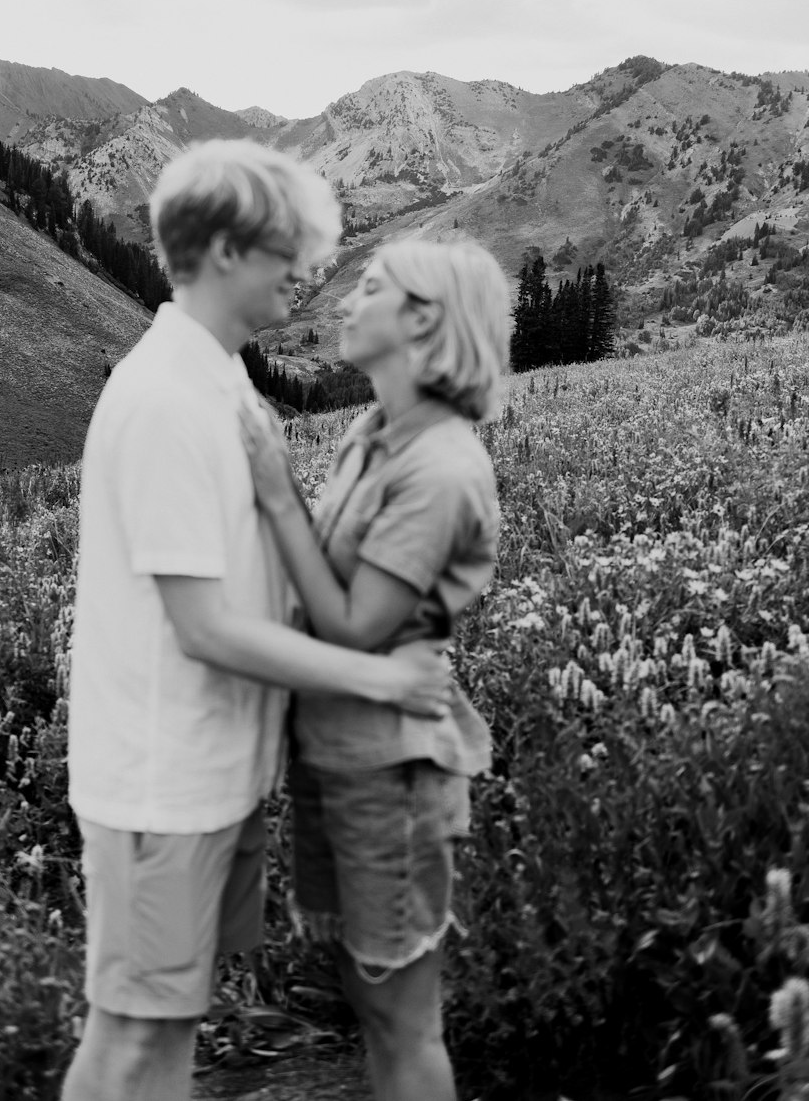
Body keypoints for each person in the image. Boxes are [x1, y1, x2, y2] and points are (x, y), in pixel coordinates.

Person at [61, 142, 454, 1101]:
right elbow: (202, 628)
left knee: (168, 1027)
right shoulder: (166, 400)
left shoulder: (223, 383)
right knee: (135, 1040)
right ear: (231, 251)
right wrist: (379, 680)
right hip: (164, 782)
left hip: (215, 770)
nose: (309, 269)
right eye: (291, 248)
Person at [239, 238, 511, 1101]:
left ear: (422, 320)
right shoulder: (377, 432)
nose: (345, 303)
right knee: (368, 989)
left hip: (392, 768)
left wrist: (276, 489)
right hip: (338, 748)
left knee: (402, 1014)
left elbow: (355, 628)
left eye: (371, 289)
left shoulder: (442, 468)